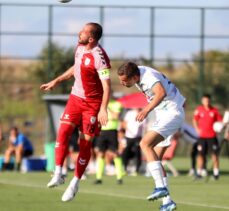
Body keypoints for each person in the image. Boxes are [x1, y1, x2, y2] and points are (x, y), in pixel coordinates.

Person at [40, 22, 111, 202]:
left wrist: (103, 109)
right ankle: (58, 173)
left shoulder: (100, 57)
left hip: (92, 105)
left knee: (85, 145)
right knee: (62, 132)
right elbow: (75, 67)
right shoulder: (79, 47)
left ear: (92, 38)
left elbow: (107, 85)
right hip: (75, 99)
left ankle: (75, 183)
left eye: (84, 31)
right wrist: (56, 81)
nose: (80, 32)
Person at [117, 61, 185, 211]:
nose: (122, 83)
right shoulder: (137, 73)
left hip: (171, 113)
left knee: (145, 144)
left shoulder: (148, 76)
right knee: (156, 159)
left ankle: (160, 187)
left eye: (124, 80)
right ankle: (167, 202)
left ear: (134, 77)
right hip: (165, 114)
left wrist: (146, 110)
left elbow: (161, 92)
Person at [94, 96, 124, 185]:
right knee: (100, 153)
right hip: (102, 131)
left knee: (115, 153)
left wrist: (106, 107)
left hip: (112, 131)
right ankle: (98, 178)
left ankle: (119, 177)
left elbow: (115, 116)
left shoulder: (116, 104)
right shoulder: (100, 104)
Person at [193, 94, 222, 180]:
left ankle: (216, 174)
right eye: (205, 100)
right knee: (200, 155)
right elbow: (195, 119)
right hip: (202, 137)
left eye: (208, 100)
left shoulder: (215, 111)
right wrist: (197, 129)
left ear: (210, 101)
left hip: (212, 137)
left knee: (214, 155)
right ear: (202, 101)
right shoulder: (199, 110)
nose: (206, 102)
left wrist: (221, 127)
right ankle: (199, 173)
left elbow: (220, 122)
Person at [121, 108, 145, 175]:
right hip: (128, 136)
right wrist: (128, 130)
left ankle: (136, 170)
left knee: (137, 153)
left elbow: (144, 127)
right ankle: (125, 168)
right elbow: (124, 123)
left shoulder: (143, 113)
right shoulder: (130, 113)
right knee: (125, 152)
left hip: (138, 137)